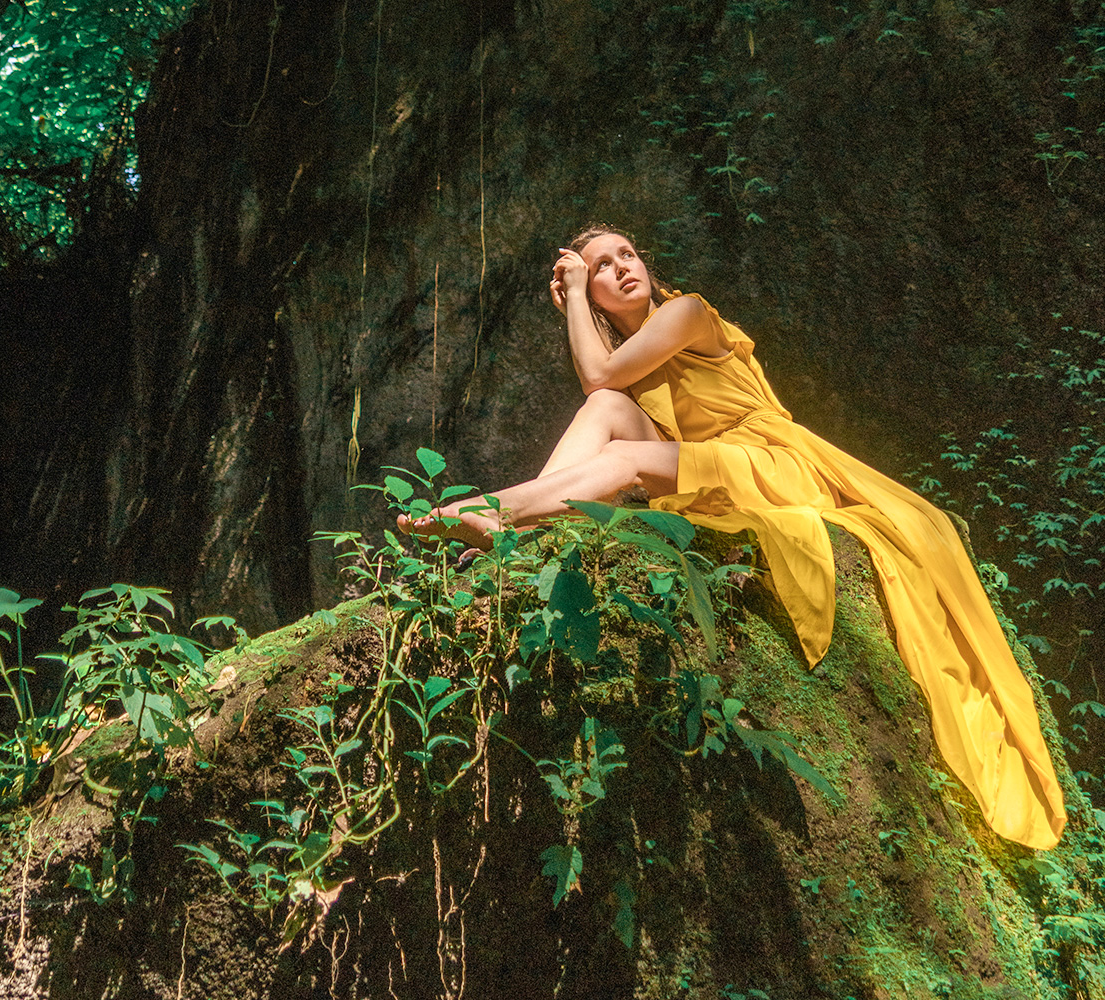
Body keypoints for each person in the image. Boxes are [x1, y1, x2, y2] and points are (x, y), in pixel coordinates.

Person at [400, 225, 1066, 850]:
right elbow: (602, 387)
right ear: (597, 296)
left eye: (627, 254)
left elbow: (599, 371)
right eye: (600, 267)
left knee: (620, 448)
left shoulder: (687, 312)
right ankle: (523, 532)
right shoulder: (626, 361)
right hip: (702, 465)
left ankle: (491, 510)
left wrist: (574, 292)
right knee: (605, 413)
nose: (621, 268)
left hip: (768, 463)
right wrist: (579, 302)